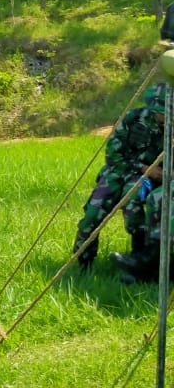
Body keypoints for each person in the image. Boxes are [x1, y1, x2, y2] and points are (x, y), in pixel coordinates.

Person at [74, 82, 166, 270]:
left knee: (134, 211)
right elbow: (113, 154)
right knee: (92, 214)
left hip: (144, 180)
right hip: (117, 172)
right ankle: (84, 263)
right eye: (162, 112)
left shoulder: (170, 129)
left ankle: (138, 259)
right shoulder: (132, 119)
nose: (164, 116)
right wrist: (144, 168)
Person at [111, 51, 174, 283]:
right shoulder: (134, 120)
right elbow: (115, 154)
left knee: (165, 201)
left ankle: (148, 265)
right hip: (146, 175)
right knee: (155, 199)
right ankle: (147, 263)